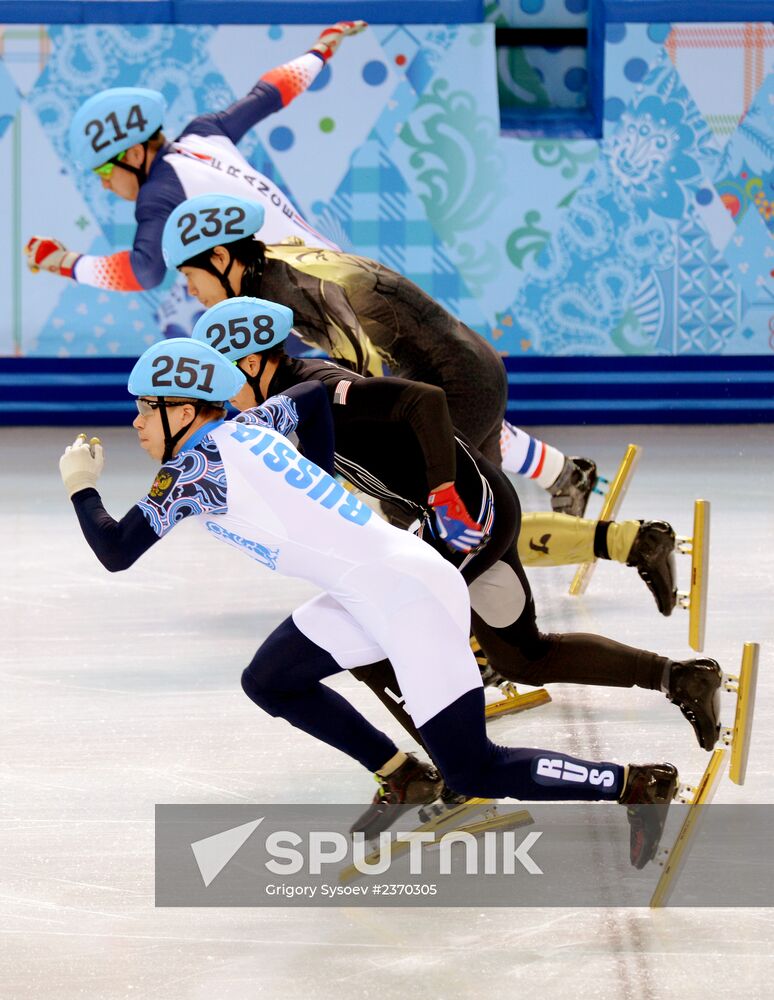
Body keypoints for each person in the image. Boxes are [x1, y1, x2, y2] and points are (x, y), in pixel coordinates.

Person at [58, 335, 682, 869]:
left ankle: (635, 785)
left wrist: (82, 488)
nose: (136, 424)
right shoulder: (253, 423)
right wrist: (321, 472)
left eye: (146, 409)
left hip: (405, 594)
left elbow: (116, 551)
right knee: (271, 679)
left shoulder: (194, 469)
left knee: (475, 770)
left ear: (185, 409)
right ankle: (402, 774)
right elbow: (306, 401)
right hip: (368, 583)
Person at [188, 297, 722, 792]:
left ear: (253, 365)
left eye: (219, 377)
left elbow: (425, 399)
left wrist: (444, 494)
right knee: (523, 656)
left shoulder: (319, 390)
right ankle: (679, 678)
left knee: (375, 627)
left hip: (464, 518)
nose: (216, 393)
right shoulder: (287, 398)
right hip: (476, 509)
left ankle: (439, 772)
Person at [162, 194, 602, 514]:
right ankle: (604, 523)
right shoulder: (278, 263)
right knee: (482, 513)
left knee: (410, 505)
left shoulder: (284, 288)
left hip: (456, 382)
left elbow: (364, 370)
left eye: (189, 276)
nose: (192, 291)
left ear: (221, 257)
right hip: (467, 368)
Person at [23, 21, 366, 291]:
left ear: (134, 152)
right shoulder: (205, 132)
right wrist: (321, 50)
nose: (104, 184)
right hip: (346, 268)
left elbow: (144, 272)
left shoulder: (158, 194)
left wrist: (66, 262)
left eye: (105, 169)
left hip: (311, 304)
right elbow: (268, 94)